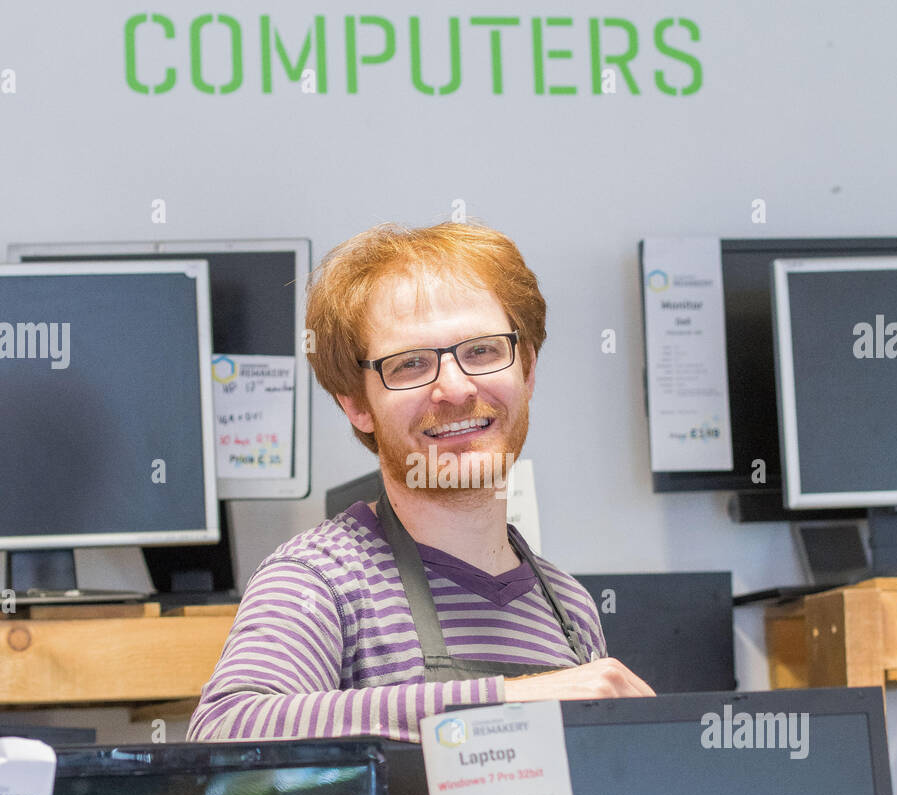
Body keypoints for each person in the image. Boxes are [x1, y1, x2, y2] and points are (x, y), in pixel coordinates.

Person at [187, 219, 654, 745]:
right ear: (357, 404)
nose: (454, 388)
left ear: (527, 370)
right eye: (410, 364)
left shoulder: (568, 606)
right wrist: (509, 701)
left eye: (481, 350)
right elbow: (225, 731)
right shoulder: (321, 580)